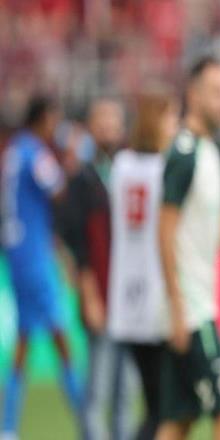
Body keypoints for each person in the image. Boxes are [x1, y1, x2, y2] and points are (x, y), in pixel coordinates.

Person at [156, 57, 220, 440]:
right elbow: (163, 232)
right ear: (193, 95)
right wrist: (177, 307)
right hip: (191, 314)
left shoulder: (206, 150)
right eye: (217, 93)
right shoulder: (184, 153)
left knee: (181, 419)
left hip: (190, 310)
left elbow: (218, 223)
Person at [0, 95, 82, 440]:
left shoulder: (13, 151)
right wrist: (72, 158)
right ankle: (88, 424)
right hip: (34, 257)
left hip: (16, 254)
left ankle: (8, 427)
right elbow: (58, 189)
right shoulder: (35, 152)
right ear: (43, 118)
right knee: (60, 336)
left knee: (23, 340)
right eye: (53, 120)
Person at [58, 97, 136, 440]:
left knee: (125, 396)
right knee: (97, 393)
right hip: (100, 298)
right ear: (90, 127)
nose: (107, 126)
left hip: (129, 302)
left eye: (112, 119)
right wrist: (88, 294)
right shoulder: (81, 180)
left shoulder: (129, 172)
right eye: (101, 119)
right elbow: (76, 245)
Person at [107, 89, 178, 440]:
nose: (175, 126)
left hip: (126, 292)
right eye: (171, 118)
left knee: (150, 403)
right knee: (162, 409)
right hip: (155, 293)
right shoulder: (164, 169)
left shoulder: (121, 166)